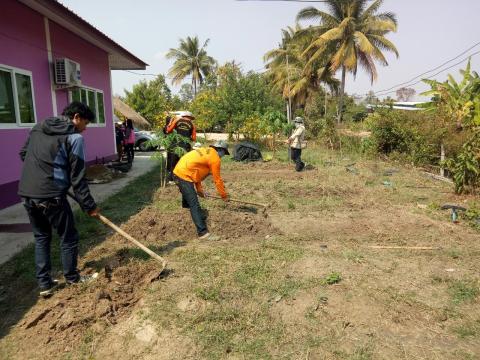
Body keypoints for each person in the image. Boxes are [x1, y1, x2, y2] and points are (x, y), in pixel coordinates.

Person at [18, 101, 99, 297]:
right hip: (51, 195)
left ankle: (45, 284)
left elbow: (23, 154)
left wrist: (43, 171)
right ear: (76, 118)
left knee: (42, 237)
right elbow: (78, 179)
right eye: (85, 123)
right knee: (68, 236)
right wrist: (89, 206)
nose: (85, 129)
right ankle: (72, 278)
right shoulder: (74, 138)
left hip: (28, 193)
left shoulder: (38, 127)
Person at [173, 140, 229, 239]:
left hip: (179, 172)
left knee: (189, 198)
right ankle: (203, 233)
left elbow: (196, 173)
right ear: (220, 150)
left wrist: (200, 191)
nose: (223, 156)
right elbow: (218, 180)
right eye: (224, 153)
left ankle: (187, 215)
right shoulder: (215, 158)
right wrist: (224, 196)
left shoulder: (206, 152)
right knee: (194, 203)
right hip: (184, 175)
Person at [165, 111, 196, 182]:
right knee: (183, 162)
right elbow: (194, 138)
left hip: (175, 144)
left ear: (184, 116)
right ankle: (182, 178)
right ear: (189, 117)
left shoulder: (177, 121)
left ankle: (171, 180)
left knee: (173, 162)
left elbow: (169, 130)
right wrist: (188, 138)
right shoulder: (192, 124)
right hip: (185, 146)